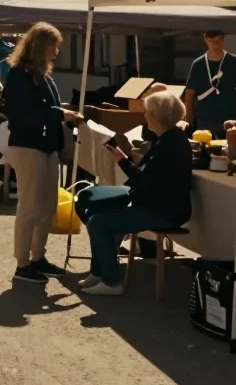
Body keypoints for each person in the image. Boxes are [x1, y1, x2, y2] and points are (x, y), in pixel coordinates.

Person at [80, 91, 194, 296]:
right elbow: (147, 178)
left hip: (162, 211)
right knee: (94, 204)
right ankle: (100, 271)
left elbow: (143, 180)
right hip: (156, 202)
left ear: (155, 116)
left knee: (98, 222)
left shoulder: (169, 144)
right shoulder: (170, 138)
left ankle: (112, 281)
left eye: (147, 112)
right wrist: (124, 158)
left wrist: (122, 161)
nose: (145, 116)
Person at [3, 22, 83, 284]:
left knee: (47, 206)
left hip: (48, 147)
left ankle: (38, 257)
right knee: (29, 206)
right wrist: (62, 114)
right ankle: (22, 263)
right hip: (27, 146)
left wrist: (64, 114)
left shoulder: (44, 76)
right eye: (53, 47)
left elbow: (50, 108)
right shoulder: (18, 75)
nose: (56, 53)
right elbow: (26, 112)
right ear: (39, 47)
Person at [183, 30, 236, 138]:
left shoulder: (235, 62)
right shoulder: (198, 64)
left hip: (230, 121)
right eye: (211, 41)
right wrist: (189, 121)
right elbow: (189, 94)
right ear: (205, 40)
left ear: (223, 39)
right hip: (205, 120)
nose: (215, 44)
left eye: (218, 40)